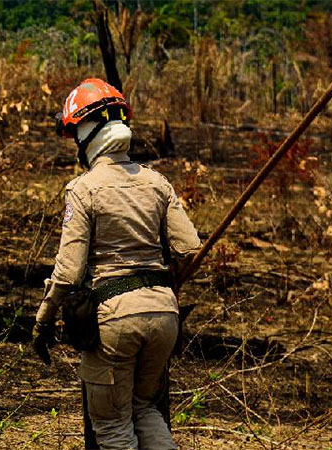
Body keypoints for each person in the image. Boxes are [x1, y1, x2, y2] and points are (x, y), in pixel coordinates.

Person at [32, 79, 201, 450]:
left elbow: (68, 272)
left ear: (86, 132)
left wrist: (42, 320)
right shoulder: (158, 183)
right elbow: (190, 248)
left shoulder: (83, 188)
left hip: (114, 319)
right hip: (164, 316)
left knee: (112, 426)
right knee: (145, 409)